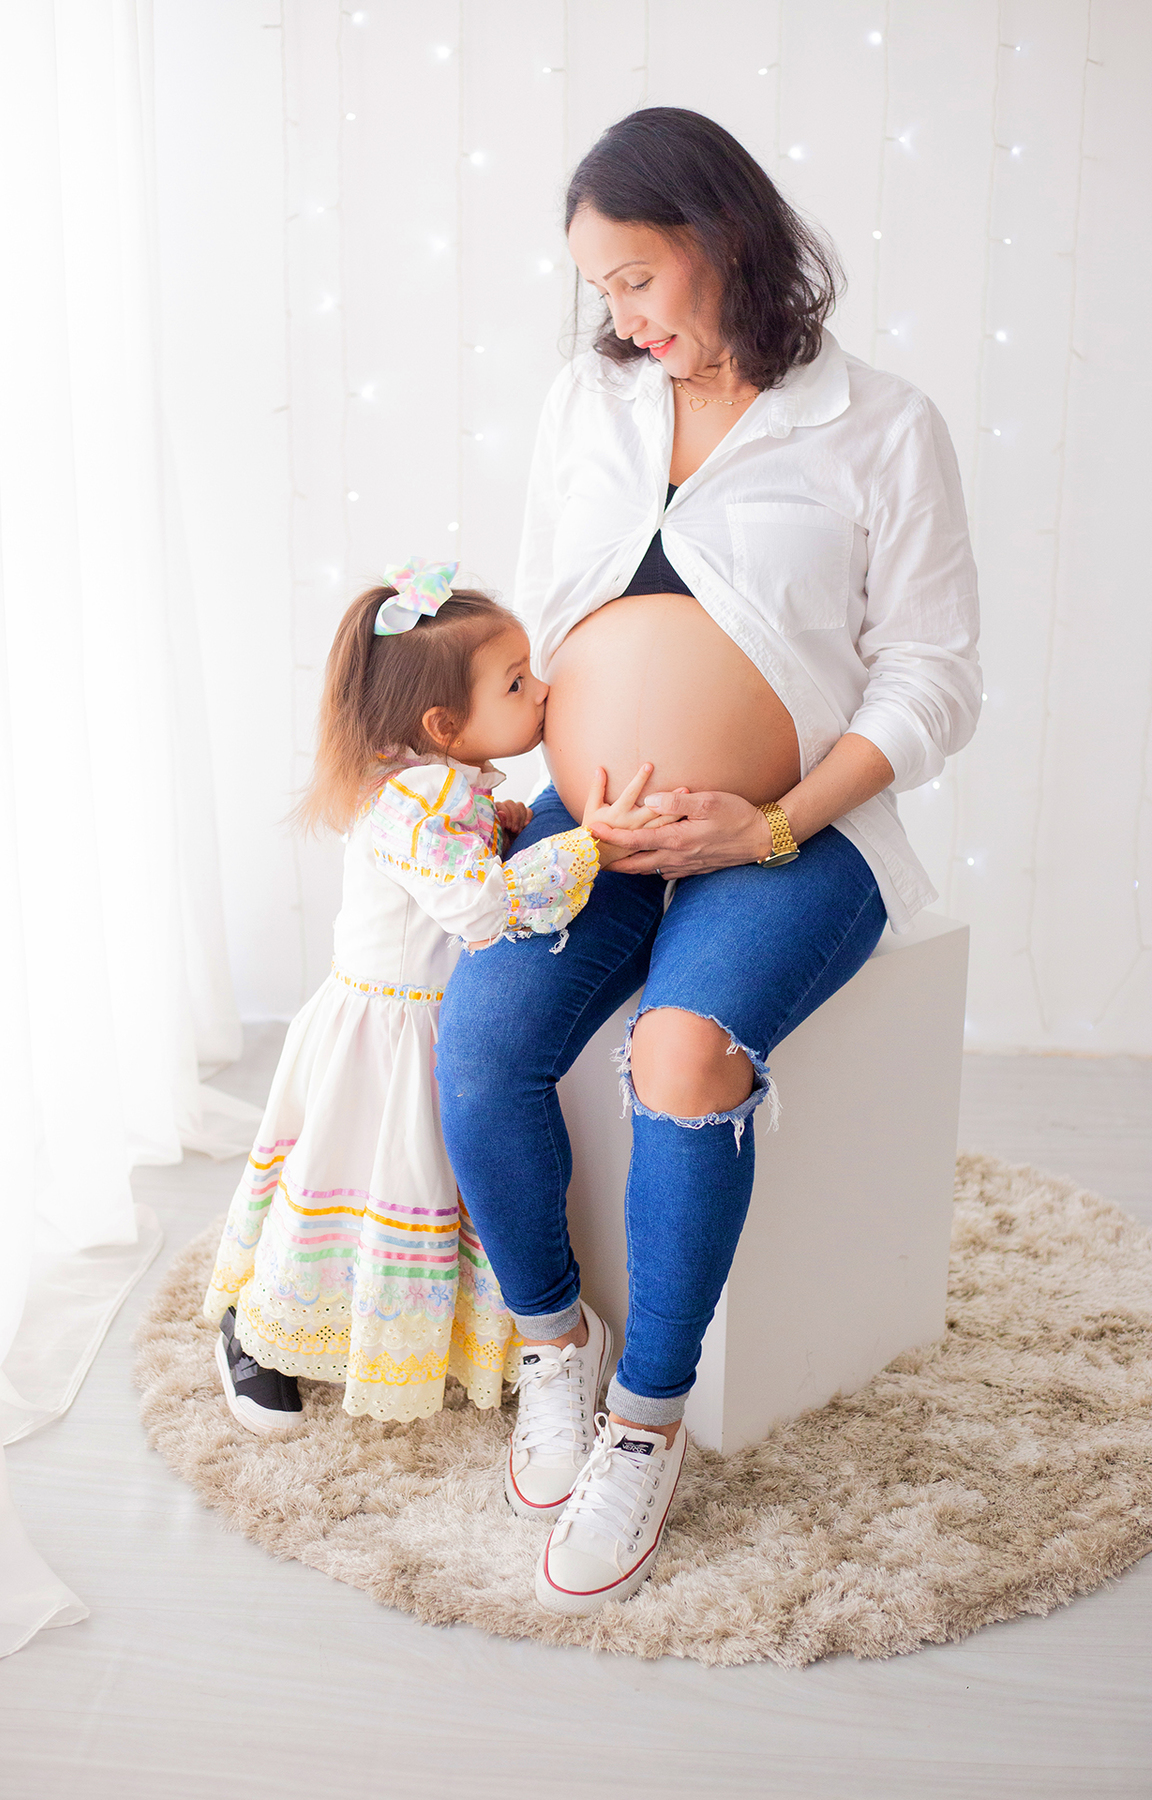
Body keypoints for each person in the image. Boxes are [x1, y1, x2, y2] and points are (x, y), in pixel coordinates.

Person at [436, 107, 982, 1615]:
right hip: (598, 830)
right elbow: (549, 617)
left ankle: (645, 1422)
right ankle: (558, 1349)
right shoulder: (586, 403)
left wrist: (775, 817)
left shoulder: (880, 425)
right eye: (599, 290)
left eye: (636, 279)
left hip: (795, 835)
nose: (617, 316)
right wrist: (528, 792)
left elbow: (936, 676)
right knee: (478, 1043)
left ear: (723, 241)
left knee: (682, 1057)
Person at [203, 559, 673, 1433]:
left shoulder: (444, 785)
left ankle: (398, 1332)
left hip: (421, 1017)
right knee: (356, 1183)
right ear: (444, 724)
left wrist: (513, 829)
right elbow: (483, 907)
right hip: (384, 1029)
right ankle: (260, 1333)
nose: (544, 691)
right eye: (517, 682)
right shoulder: (417, 804)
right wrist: (591, 848)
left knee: (425, 1190)